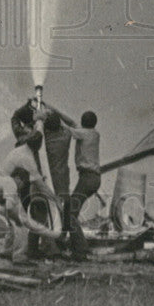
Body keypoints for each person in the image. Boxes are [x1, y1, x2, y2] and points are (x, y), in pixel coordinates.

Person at [0, 130, 56, 262]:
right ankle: (19, 256)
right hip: (10, 188)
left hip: (2, 184)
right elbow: (40, 185)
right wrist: (55, 199)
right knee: (22, 222)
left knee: (12, 220)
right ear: (38, 145)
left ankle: (7, 250)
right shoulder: (28, 158)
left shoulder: (18, 151)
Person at [61, 111, 101, 262]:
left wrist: (47, 117)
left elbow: (67, 128)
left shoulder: (83, 134)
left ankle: (80, 250)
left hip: (87, 178)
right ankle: (66, 240)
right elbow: (70, 122)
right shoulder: (93, 133)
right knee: (69, 208)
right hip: (92, 178)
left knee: (71, 213)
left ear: (83, 122)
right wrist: (52, 109)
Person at [40, 111, 73, 242]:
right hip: (62, 178)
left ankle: (51, 240)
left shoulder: (44, 140)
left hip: (48, 179)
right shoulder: (65, 137)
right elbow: (72, 123)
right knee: (65, 208)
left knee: (47, 210)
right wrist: (51, 108)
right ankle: (62, 238)